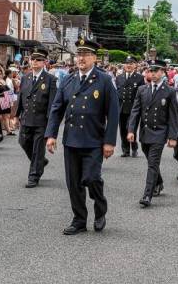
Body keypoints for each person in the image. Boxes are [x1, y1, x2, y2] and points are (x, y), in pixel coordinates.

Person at [45, 37, 119, 235]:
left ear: (94, 58)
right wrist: (51, 134)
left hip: (94, 140)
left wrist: (110, 142)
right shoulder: (69, 79)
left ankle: (100, 208)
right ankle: (79, 220)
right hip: (72, 140)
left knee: (92, 178)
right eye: (79, 54)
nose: (81, 58)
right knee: (74, 183)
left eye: (85, 54)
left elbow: (113, 113)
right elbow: (57, 108)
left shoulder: (104, 80)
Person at [127, 60, 178, 208]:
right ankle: (159, 182)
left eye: (156, 71)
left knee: (152, 163)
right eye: (151, 71)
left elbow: (173, 116)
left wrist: (173, 137)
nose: (153, 74)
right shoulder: (142, 90)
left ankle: (147, 195)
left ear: (162, 72)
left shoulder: (169, 91)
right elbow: (135, 112)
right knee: (151, 162)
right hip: (145, 132)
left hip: (159, 132)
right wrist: (131, 130)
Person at [16, 48, 57, 188]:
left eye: (38, 60)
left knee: (37, 149)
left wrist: (51, 124)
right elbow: (21, 97)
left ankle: (34, 176)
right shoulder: (25, 77)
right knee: (23, 142)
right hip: (26, 118)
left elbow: (52, 103)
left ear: (44, 62)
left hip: (41, 120)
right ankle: (40, 161)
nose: (35, 62)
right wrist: (16, 116)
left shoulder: (51, 79)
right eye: (33, 59)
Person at [115, 55, 145, 157]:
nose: (128, 65)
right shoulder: (119, 78)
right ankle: (125, 150)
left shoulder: (140, 78)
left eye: (131, 63)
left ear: (135, 65)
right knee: (123, 129)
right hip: (122, 108)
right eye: (127, 63)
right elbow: (117, 93)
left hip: (133, 109)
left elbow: (141, 95)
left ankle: (134, 147)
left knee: (131, 129)